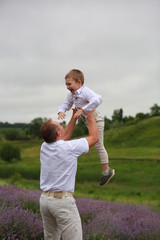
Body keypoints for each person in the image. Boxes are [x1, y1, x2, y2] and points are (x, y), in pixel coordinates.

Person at [40, 109, 99, 240]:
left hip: (45, 201)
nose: (63, 126)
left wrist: (74, 117)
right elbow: (94, 138)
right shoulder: (70, 148)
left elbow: (64, 136)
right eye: (61, 125)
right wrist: (90, 114)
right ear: (58, 133)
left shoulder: (44, 146)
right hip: (62, 202)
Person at [58, 69, 115, 186]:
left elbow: (98, 99)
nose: (67, 87)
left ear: (79, 83)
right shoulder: (71, 95)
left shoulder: (85, 91)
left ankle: (106, 171)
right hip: (87, 121)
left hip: (96, 120)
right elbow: (66, 105)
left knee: (98, 144)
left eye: (69, 84)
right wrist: (61, 111)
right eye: (66, 84)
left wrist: (83, 109)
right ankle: (105, 170)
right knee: (92, 144)